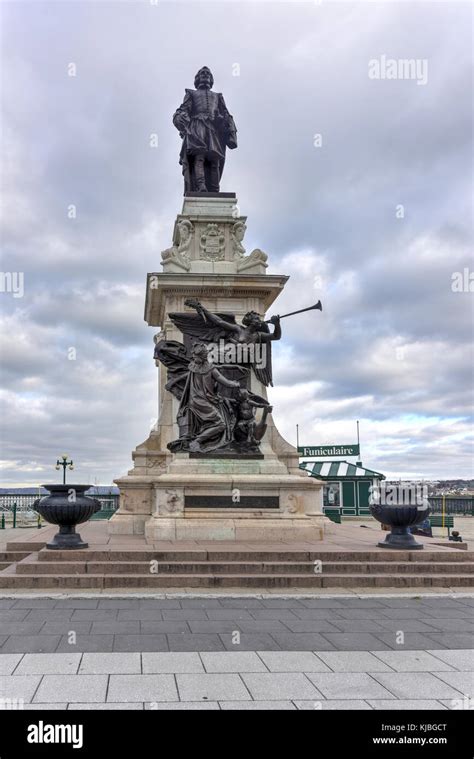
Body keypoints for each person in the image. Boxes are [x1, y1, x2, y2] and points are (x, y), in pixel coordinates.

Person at [173, 66, 237, 193]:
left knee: (215, 159)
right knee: (199, 157)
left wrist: (228, 126)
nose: (205, 75)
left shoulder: (218, 96)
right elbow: (184, 109)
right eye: (202, 73)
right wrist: (180, 119)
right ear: (197, 78)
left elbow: (225, 114)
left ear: (211, 79)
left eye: (208, 73)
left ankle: (214, 189)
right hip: (197, 127)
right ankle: (201, 186)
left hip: (213, 129)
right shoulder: (191, 93)